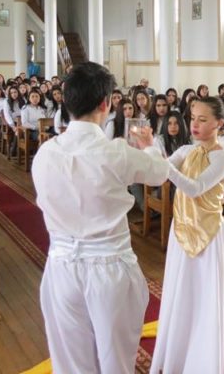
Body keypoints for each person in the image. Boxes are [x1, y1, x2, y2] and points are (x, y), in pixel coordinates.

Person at [31, 62, 172, 374]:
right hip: (109, 271)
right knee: (115, 362)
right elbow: (160, 173)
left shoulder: (45, 154)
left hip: (61, 267)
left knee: (71, 363)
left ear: (65, 101)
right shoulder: (115, 152)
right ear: (106, 103)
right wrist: (149, 148)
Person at [149, 97, 224, 373]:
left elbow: (195, 187)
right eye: (193, 119)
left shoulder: (223, 157)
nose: (195, 125)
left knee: (206, 296)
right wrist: (147, 148)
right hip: (182, 232)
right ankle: (179, 355)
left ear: (220, 123)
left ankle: (205, 361)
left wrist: (165, 167)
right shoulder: (186, 150)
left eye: (203, 120)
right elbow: (158, 171)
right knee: (182, 294)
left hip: (210, 235)